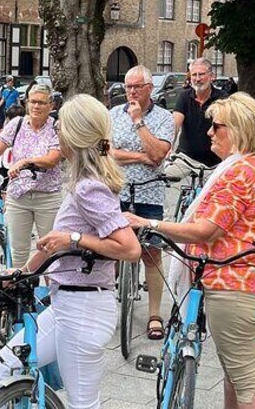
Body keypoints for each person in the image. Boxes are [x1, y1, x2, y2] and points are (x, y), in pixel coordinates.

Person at [0, 94, 141, 408]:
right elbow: (55, 240)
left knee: (82, 404)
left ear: (75, 134)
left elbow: (129, 248)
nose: (56, 133)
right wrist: (22, 271)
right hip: (65, 303)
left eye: (61, 128)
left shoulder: (90, 186)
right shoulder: (81, 180)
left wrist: (74, 238)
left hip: (84, 309)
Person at [127, 92, 255, 409]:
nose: (209, 132)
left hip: (232, 285)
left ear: (236, 129)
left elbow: (208, 230)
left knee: (247, 381)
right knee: (235, 374)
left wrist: (152, 225)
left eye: (216, 126)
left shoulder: (238, 173)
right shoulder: (245, 167)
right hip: (238, 282)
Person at [109, 65, 175, 340]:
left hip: (149, 192)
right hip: (118, 191)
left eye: (137, 86)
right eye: (128, 87)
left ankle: (155, 314)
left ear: (150, 88)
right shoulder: (112, 114)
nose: (132, 92)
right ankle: (111, 298)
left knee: (151, 252)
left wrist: (138, 122)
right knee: (112, 248)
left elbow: (159, 153)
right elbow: (108, 152)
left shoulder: (163, 118)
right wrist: (139, 157)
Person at [0, 84, 62, 268]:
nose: (36, 106)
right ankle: (19, 293)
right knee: (18, 251)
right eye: (33, 102)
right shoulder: (17, 123)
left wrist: (24, 162)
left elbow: (52, 160)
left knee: (51, 250)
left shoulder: (56, 128)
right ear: (27, 103)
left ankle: (53, 294)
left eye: (42, 103)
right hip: (18, 195)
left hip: (47, 196)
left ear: (51, 106)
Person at [166, 57, 228, 178]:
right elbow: (175, 125)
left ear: (211, 76)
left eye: (202, 74)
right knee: (164, 177)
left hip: (215, 161)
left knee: (214, 192)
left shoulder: (222, 98)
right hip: (185, 159)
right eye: (194, 75)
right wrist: (168, 146)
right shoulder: (184, 97)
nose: (198, 79)